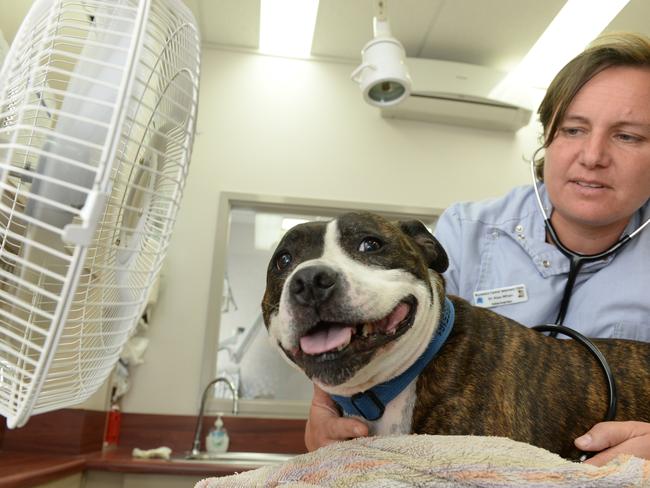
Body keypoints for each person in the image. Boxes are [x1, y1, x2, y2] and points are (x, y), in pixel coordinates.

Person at [304, 31, 650, 467]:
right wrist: (322, 404)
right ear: (548, 137)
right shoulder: (468, 233)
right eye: (573, 129)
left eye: (628, 136)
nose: (593, 155)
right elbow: (378, 312)